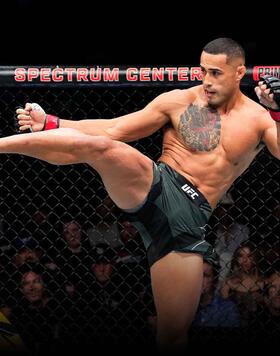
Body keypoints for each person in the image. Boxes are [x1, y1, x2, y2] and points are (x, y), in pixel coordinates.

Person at [1, 37, 279, 352]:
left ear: (239, 72)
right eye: (203, 71)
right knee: (102, 148)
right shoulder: (179, 100)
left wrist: (278, 113)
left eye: (216, 73)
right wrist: (52, 122)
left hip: (188, 221)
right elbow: (114, 128)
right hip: (157, 184)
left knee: (172, 335)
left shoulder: (260, 118)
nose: (207, 80)